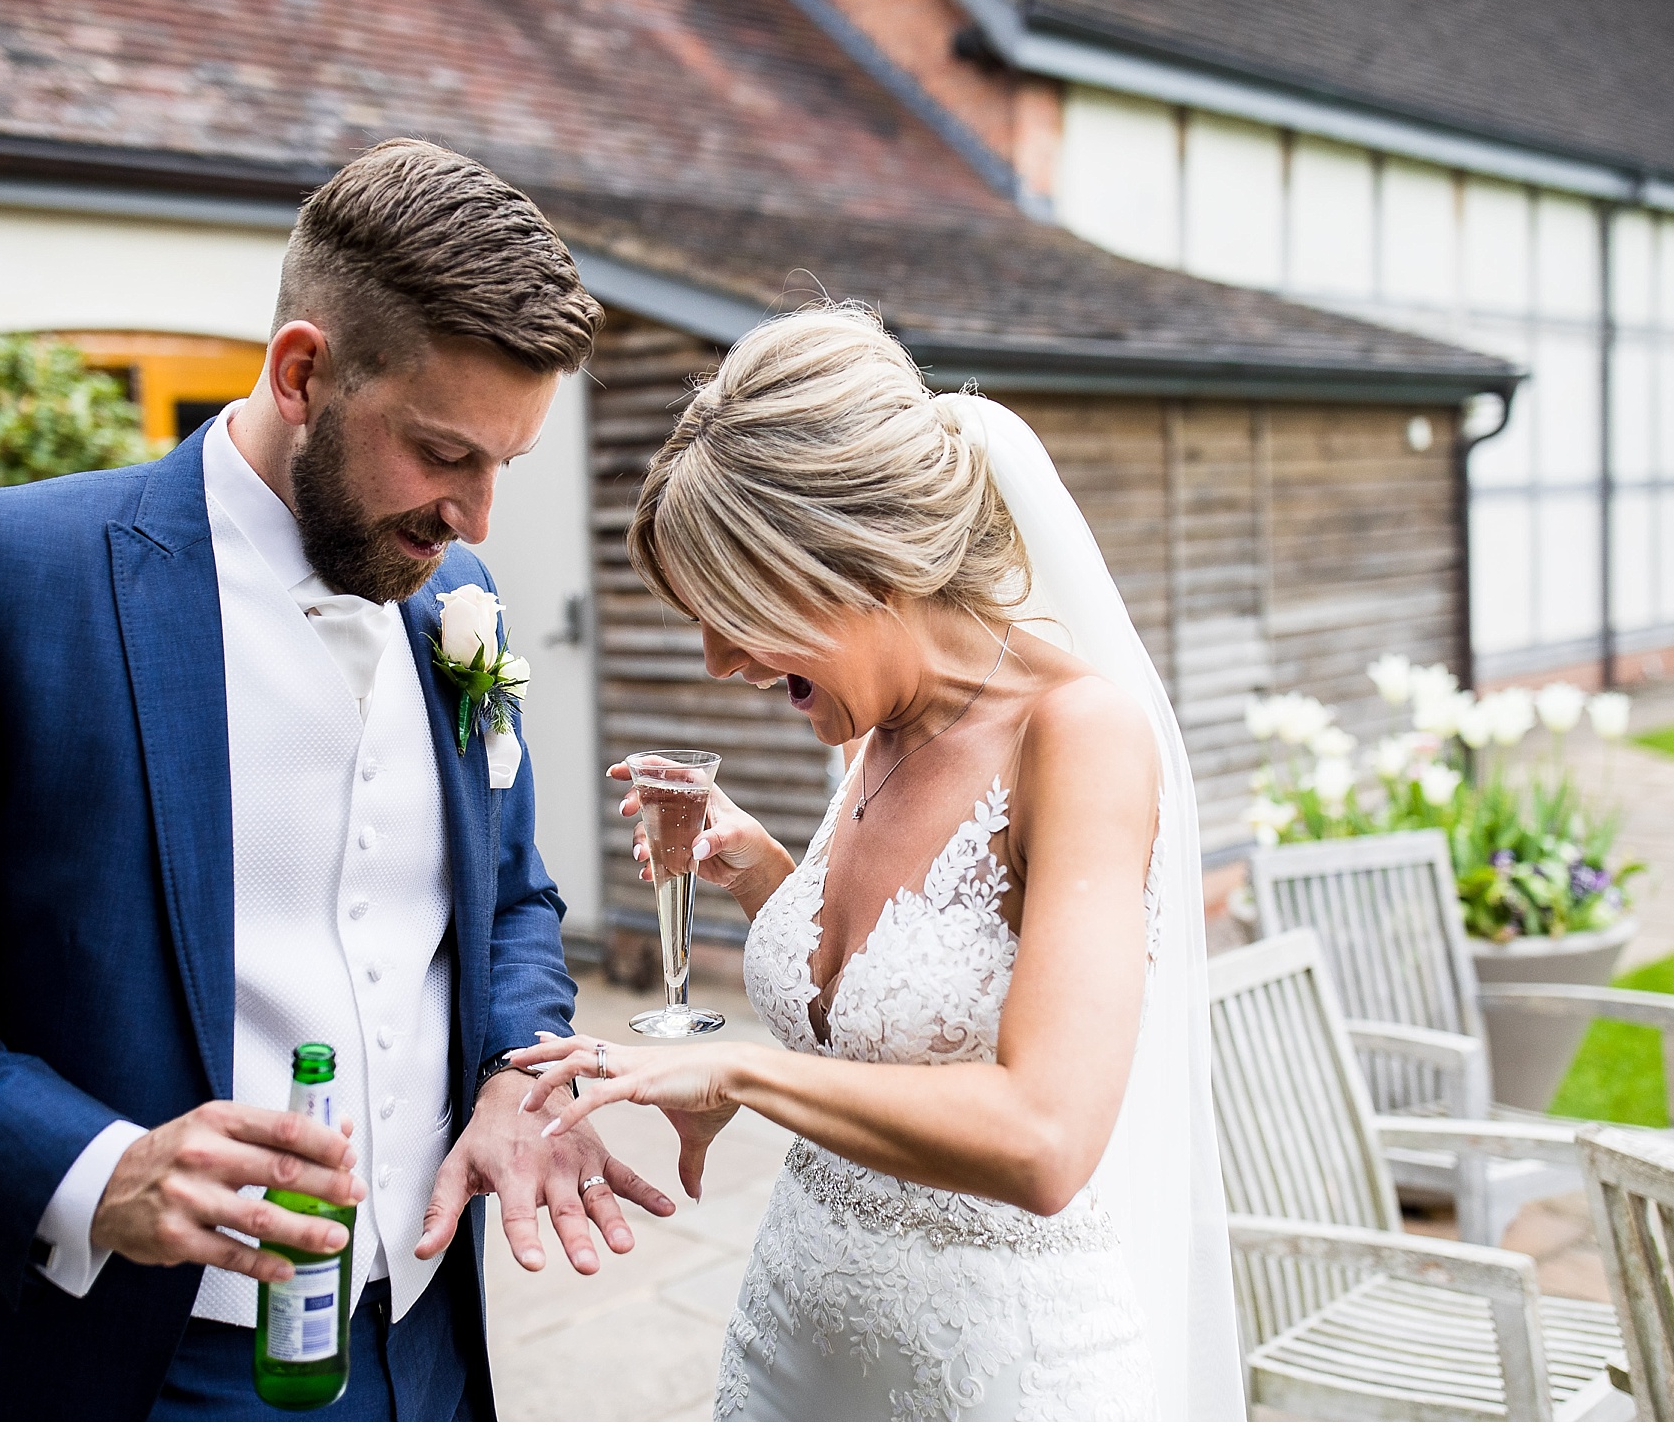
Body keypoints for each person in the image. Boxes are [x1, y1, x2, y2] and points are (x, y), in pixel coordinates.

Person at [0, 138, 673, 1420]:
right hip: (109, 1358)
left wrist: (515, 1069)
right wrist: (97, 1171)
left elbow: (508, 902)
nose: (478, 516)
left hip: (424, 1344)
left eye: (505, 462)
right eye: (447, 452)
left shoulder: (458, 595)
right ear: (302, 372)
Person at [515, 303, 1244, 1420]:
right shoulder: (871, 729)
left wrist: (740, 1072)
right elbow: (898, 1001)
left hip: (993, 1379)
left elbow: (1047, 1138)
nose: (718, 660)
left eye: (733, 610)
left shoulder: (1078, 735)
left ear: (853, 562)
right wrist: (765, 872)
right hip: (789, 1348)